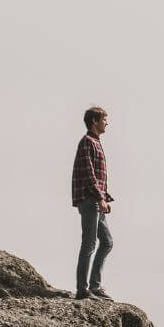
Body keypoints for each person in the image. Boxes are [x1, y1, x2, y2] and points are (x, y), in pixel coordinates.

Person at [71, 106, 116, 300]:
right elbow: (89, 175)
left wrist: (104, 197)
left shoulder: (96, 142)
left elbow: (96, 176)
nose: (107, 123)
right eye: (104, 120)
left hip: (97, 200)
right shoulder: (87, 142)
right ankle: (82, 290)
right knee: (89, 243)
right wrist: (99, 198)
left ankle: (95, 286)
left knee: (107, 242)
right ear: (94, 121)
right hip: (90, 200)